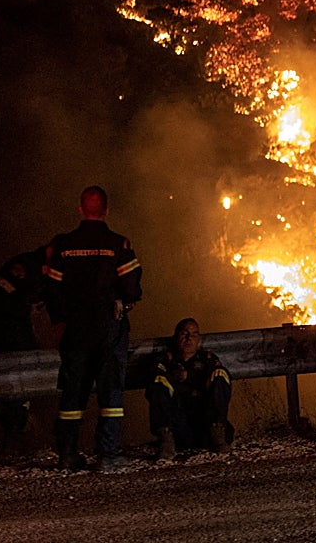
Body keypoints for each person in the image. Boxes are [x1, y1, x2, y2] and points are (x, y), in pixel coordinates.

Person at [43, 186, 142, 472]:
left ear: (80, 209)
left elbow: (52, 288)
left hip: (75, 327)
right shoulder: (118, 244)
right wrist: (125, 300)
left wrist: (59, 321)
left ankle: (68, 454)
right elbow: (132, 285)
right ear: (107, 210)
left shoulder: (63, 245)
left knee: (73, 391)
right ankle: (107, 456)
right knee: (110, 389)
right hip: (108, 324)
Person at [0, 247, 43, 455]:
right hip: (2, 327)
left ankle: (9, 433)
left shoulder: (33, 266)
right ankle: (9, 436)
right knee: (18, 379)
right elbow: (2, 299)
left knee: (19, 380)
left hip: (7, 326)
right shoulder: (27, 267)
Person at [146, 318, 233, 459]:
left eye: (194, 334)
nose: (189, 339)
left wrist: (190, 377)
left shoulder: (207, 359)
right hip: (178, 423)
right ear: (176, 336)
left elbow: (219, 383)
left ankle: (218, 433)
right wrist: (175, 379)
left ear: (199, 339)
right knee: (158, 380)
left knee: (221, 373)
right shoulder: (165, 360)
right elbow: (154, 382)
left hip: (204, 420)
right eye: (184, 334)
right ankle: (166, 440)